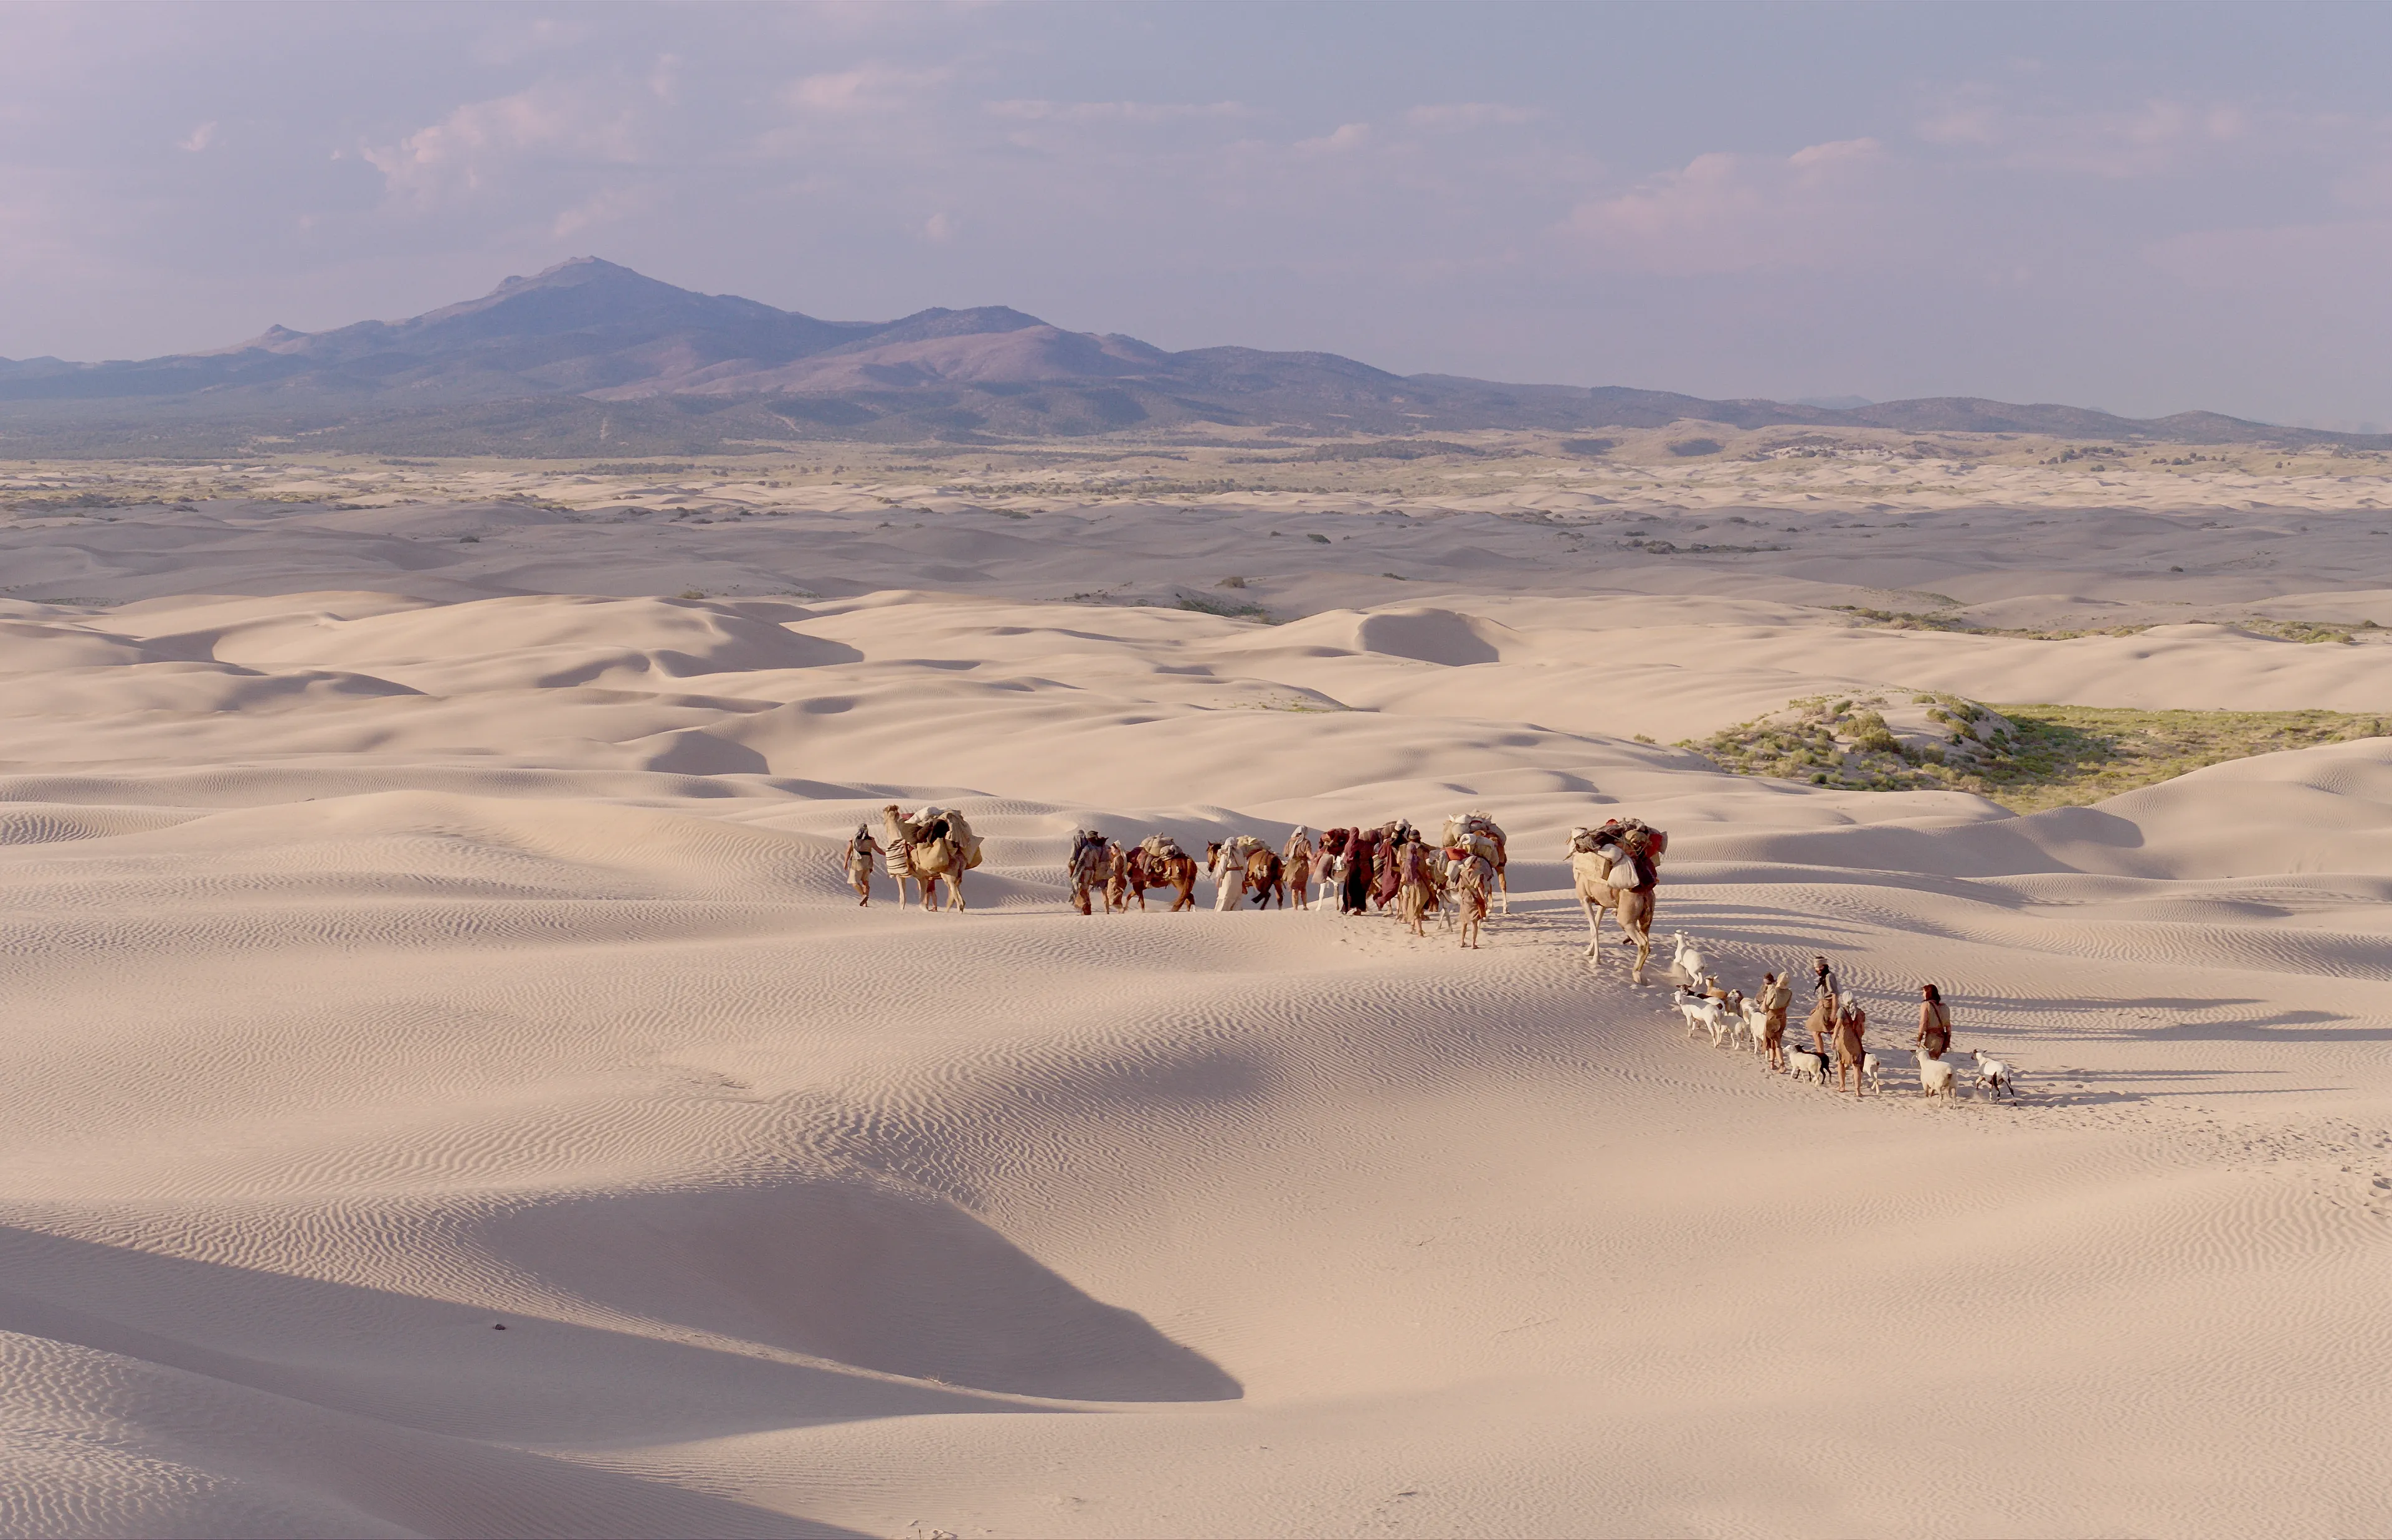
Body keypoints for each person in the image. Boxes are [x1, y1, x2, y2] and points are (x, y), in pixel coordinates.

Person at [1757, 970, 1792, 1072]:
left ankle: (1782, 1064)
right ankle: (1772, 1063)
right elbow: (1787, 1005)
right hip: (1782, 1017)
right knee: (1774, 1040)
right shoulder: (1789, 992)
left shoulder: (1774, 991)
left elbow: (1766, 1006)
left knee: (1775, 1042)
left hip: (1772, 1017)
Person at [1834, 996, 1869, 1096]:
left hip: (1844, 1040)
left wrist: (1833, 1040)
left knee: (1841, 1062)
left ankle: (1842, 1086)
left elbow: (1837, 1026)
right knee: (1856, 1066)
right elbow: (1863, 1030)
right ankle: (1858, 1090)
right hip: (1856, 1041)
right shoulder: (1860, 1013)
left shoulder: (1842, 1011)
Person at [844, 824, 881, 906]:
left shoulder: (853, 839)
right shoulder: (871, 840)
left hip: (857, 863)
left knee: (854, 883)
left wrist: (846, 862)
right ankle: (865, 903)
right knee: (866, 883)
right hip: (868, 863)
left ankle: (864, 896)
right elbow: (878, 850)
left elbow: (848, 852)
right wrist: (887, 854)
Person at [1915, 983, 1952, 1061]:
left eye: (1924, 992)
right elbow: (1948, 1026)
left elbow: (1923, 1022)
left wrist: (1920, 1037)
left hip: (1932, 1038)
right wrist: (1947, 1040)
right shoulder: (1945, 1007)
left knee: (1928, 1061)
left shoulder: (1926, 1004)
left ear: (1928, 993)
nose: (1923, 994)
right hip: (1942, 1038)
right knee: (1935, 1061)